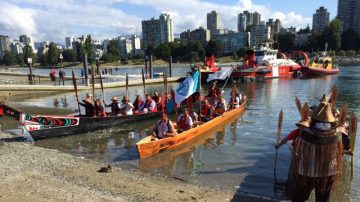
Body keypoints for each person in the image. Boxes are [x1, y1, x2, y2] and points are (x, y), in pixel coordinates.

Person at [292, 101, 343, 202]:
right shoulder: (337, 134)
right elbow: (340, 153)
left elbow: (297, 149)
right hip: (328, 172)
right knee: (323, 199)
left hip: (307, 171)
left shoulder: (305, 133)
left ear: (314, 119)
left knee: (299, 198)